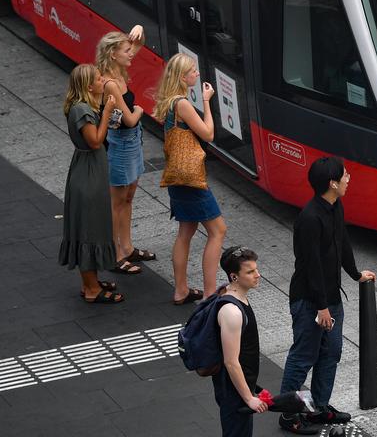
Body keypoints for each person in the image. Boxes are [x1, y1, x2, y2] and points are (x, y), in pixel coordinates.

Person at [278, 157, 376, 435]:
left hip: (330, 297)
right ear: (332, 183)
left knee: (330, 354)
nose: (349, 178)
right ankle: (288, 414)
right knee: (303, 356)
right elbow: (312, 266)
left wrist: (355, 274)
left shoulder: (335, 206)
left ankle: (319, 407)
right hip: (311, 300)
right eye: (345, 175)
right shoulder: (309, 218)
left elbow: (341, 241)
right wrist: (321, 308)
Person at [153, 53, 228, 303]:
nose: (197, 73)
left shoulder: (169, 102)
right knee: (218, 230)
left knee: (186, 230)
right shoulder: (182, 104)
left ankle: (181, 290)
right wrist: (207, 101)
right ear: (182, 77)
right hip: (191, 178)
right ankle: (209, 292)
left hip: (177, 177)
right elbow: (207, 133)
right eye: (193, 71)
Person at [59, 64, 123, 304]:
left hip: (89, 170)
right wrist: (107, 113)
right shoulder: (81, 110)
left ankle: (91, 281)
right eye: (98, 79)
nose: (103, 80)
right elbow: (95, 141)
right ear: (88, 86)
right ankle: (91, 288)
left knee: (91, 226)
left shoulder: (83, 107)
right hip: (88, 175)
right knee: (88, 228)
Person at [95, 26, 154, 277]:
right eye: (126, 51)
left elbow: (138, 44)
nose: (132, 55)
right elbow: (129, 119)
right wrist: (141, 110)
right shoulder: (110, 84)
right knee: (117, 202)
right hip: (119, 145)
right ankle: (115, 254)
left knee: (128, 196)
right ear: (112, 55)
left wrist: (138, 32)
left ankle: (127, 247)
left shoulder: (117, 69)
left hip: (131, 142)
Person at [213, 247, 269, 437]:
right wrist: (248, 398)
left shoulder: (235, 296)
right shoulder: (232, 311)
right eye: (250, 271)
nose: (258, 275)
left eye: (256, 269)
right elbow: (231, 361)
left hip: (240, 385)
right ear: (234, 277)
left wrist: (254, 389)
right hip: (233, 390)